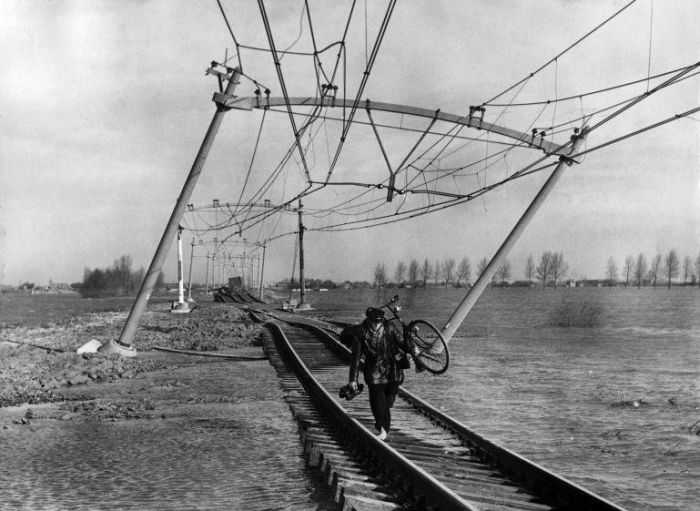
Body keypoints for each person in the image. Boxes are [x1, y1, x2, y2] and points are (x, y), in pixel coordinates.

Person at [346, 306, 408, 441]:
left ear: (382, 321)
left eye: (379, 322)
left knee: (388, 402)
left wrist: (413, 348)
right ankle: (383, 429)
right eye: (374, 322)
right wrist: (353, 380)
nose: (376, 324)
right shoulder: (361, 333)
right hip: (374, 373)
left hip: (393, 371)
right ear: (369, 320)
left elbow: (402, 342)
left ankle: (382, 424)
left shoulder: (390, 327)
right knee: (379, 402)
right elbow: (355, 358)